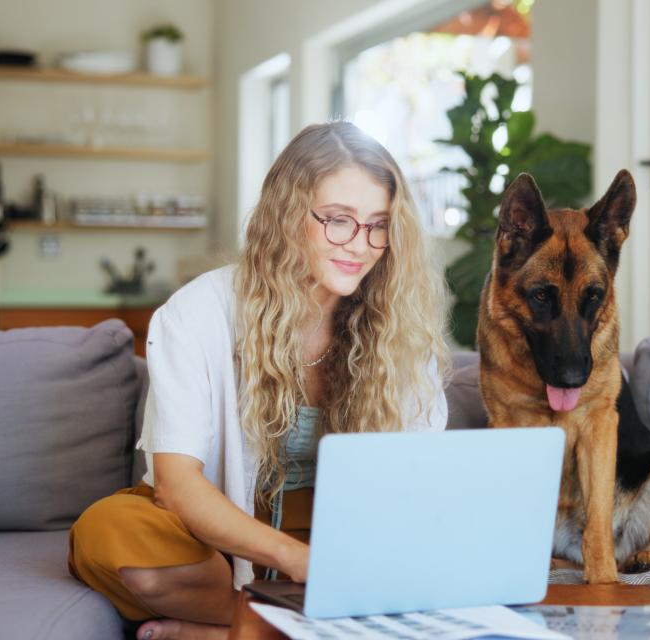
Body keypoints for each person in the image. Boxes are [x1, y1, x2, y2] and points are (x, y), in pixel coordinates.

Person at [67, 121, 450, 640]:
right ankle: (303, 624)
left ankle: (232, 632)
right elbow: (179, 485)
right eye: (338, 220)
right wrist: (295, 559)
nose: (360, 245)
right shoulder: (199, 311)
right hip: (216, 532)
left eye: (378, 225)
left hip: (339, 535)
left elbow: (416, 479)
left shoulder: (398, 327)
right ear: (289, 215)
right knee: (109, 532)